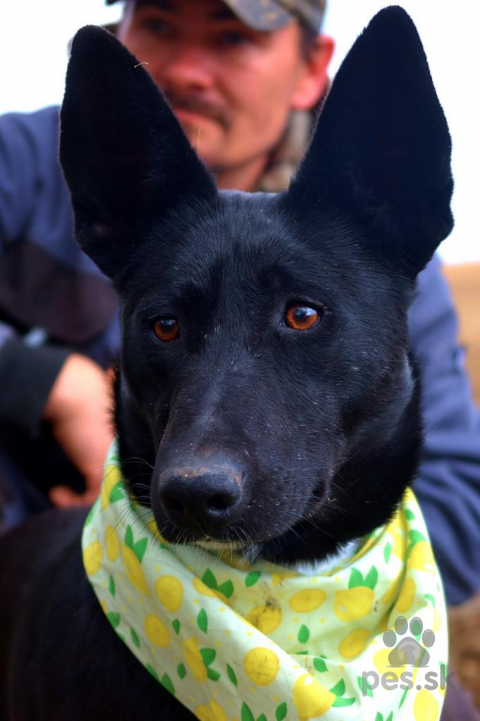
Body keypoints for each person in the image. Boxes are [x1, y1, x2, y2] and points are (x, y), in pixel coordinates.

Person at [1, 0, 480, 615]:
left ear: (311, 67)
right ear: (121, 31)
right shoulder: (34, 161)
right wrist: (44, 382)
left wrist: (254, 573)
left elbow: (463, 507)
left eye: (231, 38)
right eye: (160, 25)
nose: (188, 69)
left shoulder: (369, 242)